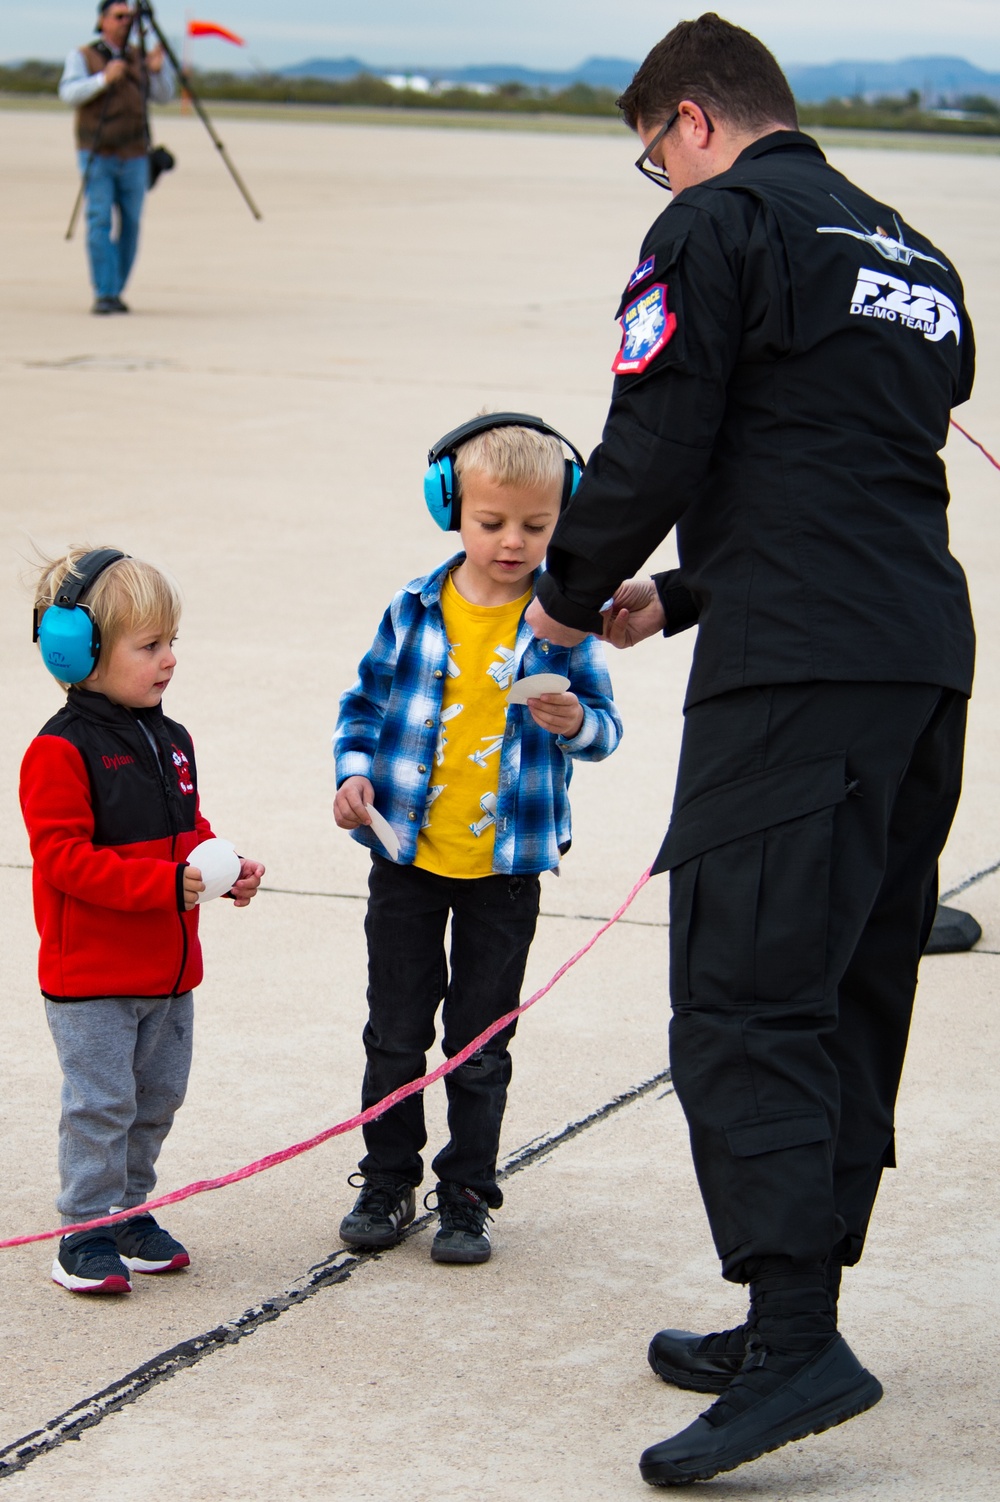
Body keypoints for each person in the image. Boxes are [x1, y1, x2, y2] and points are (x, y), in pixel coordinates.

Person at [524, 13, 975, 1488]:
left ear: (695, 124)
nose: (661, 182)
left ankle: (795, 1343)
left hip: (795, 676)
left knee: (744, 992)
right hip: (913, 654)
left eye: (654, 157)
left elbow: (654, 434)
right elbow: (835, 454)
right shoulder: (907, 246)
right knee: (845, 981)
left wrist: (571, 591)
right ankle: (798, 1309)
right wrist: (689, 590)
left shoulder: (716, 225)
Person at [333, 416, 622, 1264]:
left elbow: (606, 732)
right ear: (450, 509)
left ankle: (465, 1193)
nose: (513, 541)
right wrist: (352, 777)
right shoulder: (413, 610)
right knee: (393, 1031)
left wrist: (575, 723)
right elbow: (365, 707)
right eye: (492, 522)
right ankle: (387, 1179)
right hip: (408, 860)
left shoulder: (568, 623)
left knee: (481, 1040)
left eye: (536, 526)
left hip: (504, 872)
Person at [20, 547, 265, 1295]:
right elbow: (65, 861)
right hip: (93, 978)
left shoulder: (170, 736)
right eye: (150, 646)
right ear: (81, 652)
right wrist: (167, 885)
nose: (169, 660)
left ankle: (129, 1210)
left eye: (172, 642)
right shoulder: (58, 752)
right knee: (101, 1104)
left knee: (155, 1099)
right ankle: (82, 1230)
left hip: (167, 969)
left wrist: (222, 867)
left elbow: (186, 825)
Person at [59, 2, 175, 314]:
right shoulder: (83, 55)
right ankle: (105, 291)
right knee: (99, 218)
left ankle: (115, 288)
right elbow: (68, 94)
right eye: (119, 16)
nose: (126, 22)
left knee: (132, 223)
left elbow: (164, 96)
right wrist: (103, 80)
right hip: (97, 152)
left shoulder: (140, 57)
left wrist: (158, 70)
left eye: (130, 17)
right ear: (103, 20)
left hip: (135, 154)